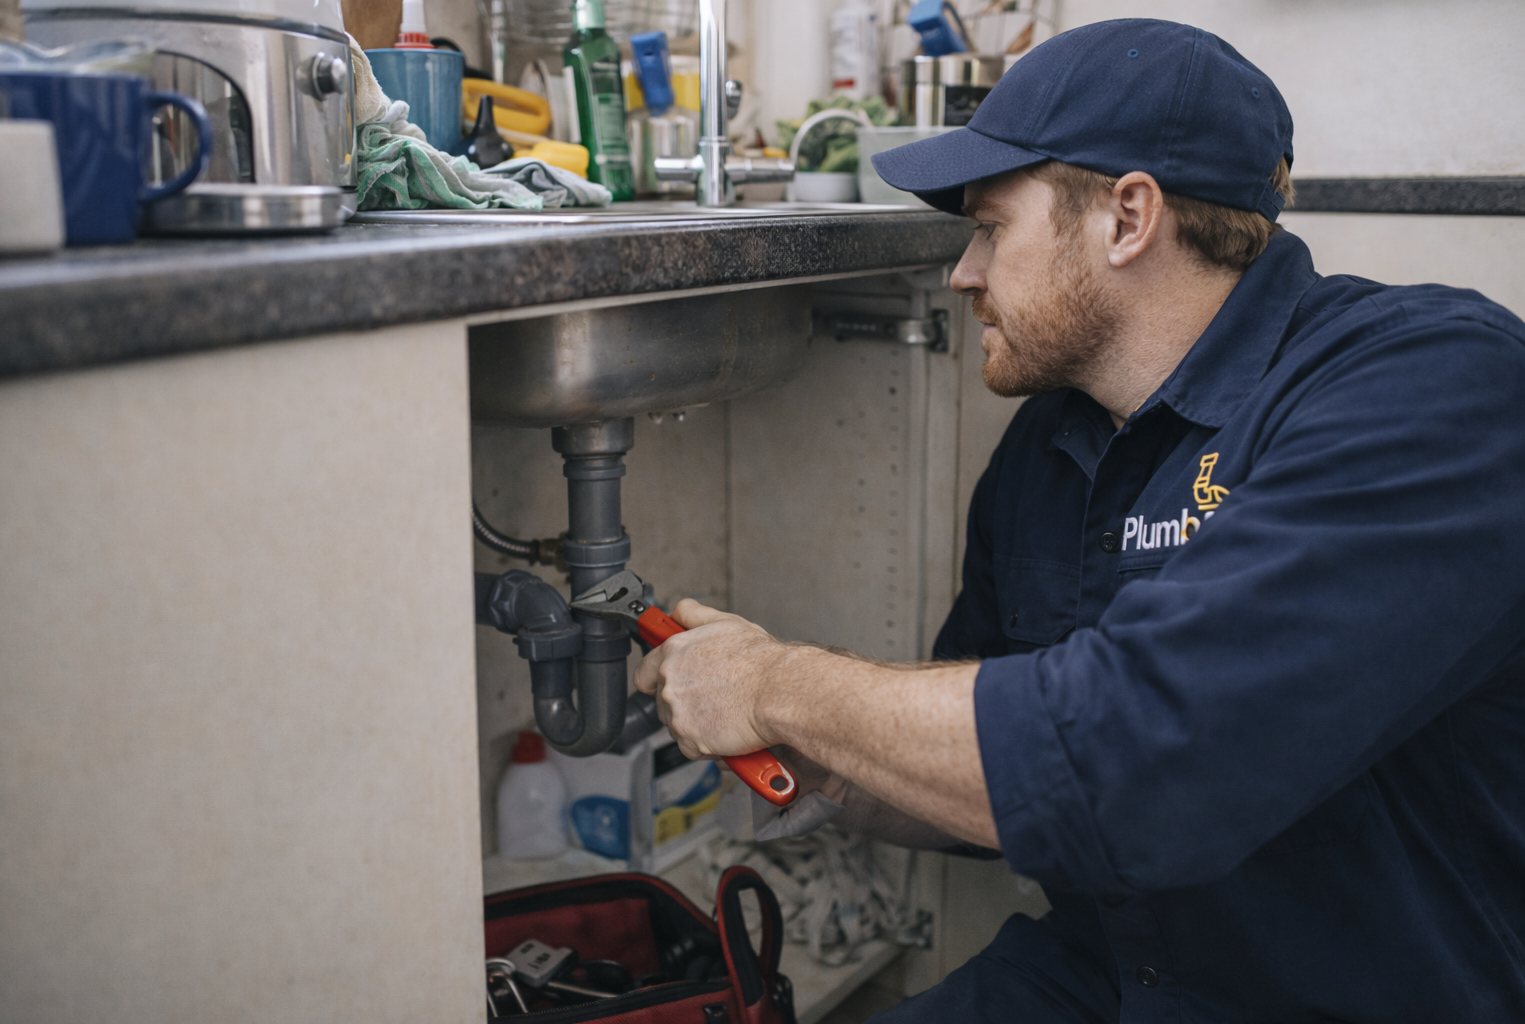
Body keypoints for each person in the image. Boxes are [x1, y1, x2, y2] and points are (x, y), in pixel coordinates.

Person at [635, 19, 1525, 1022]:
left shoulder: (1439, 388)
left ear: (1127, 217)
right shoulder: (1052, 446)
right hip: (1105, 978)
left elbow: (1140, 762)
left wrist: (778, 685)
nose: (961, 273)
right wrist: (824, 764)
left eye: (991, 226)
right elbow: (1004, 788)